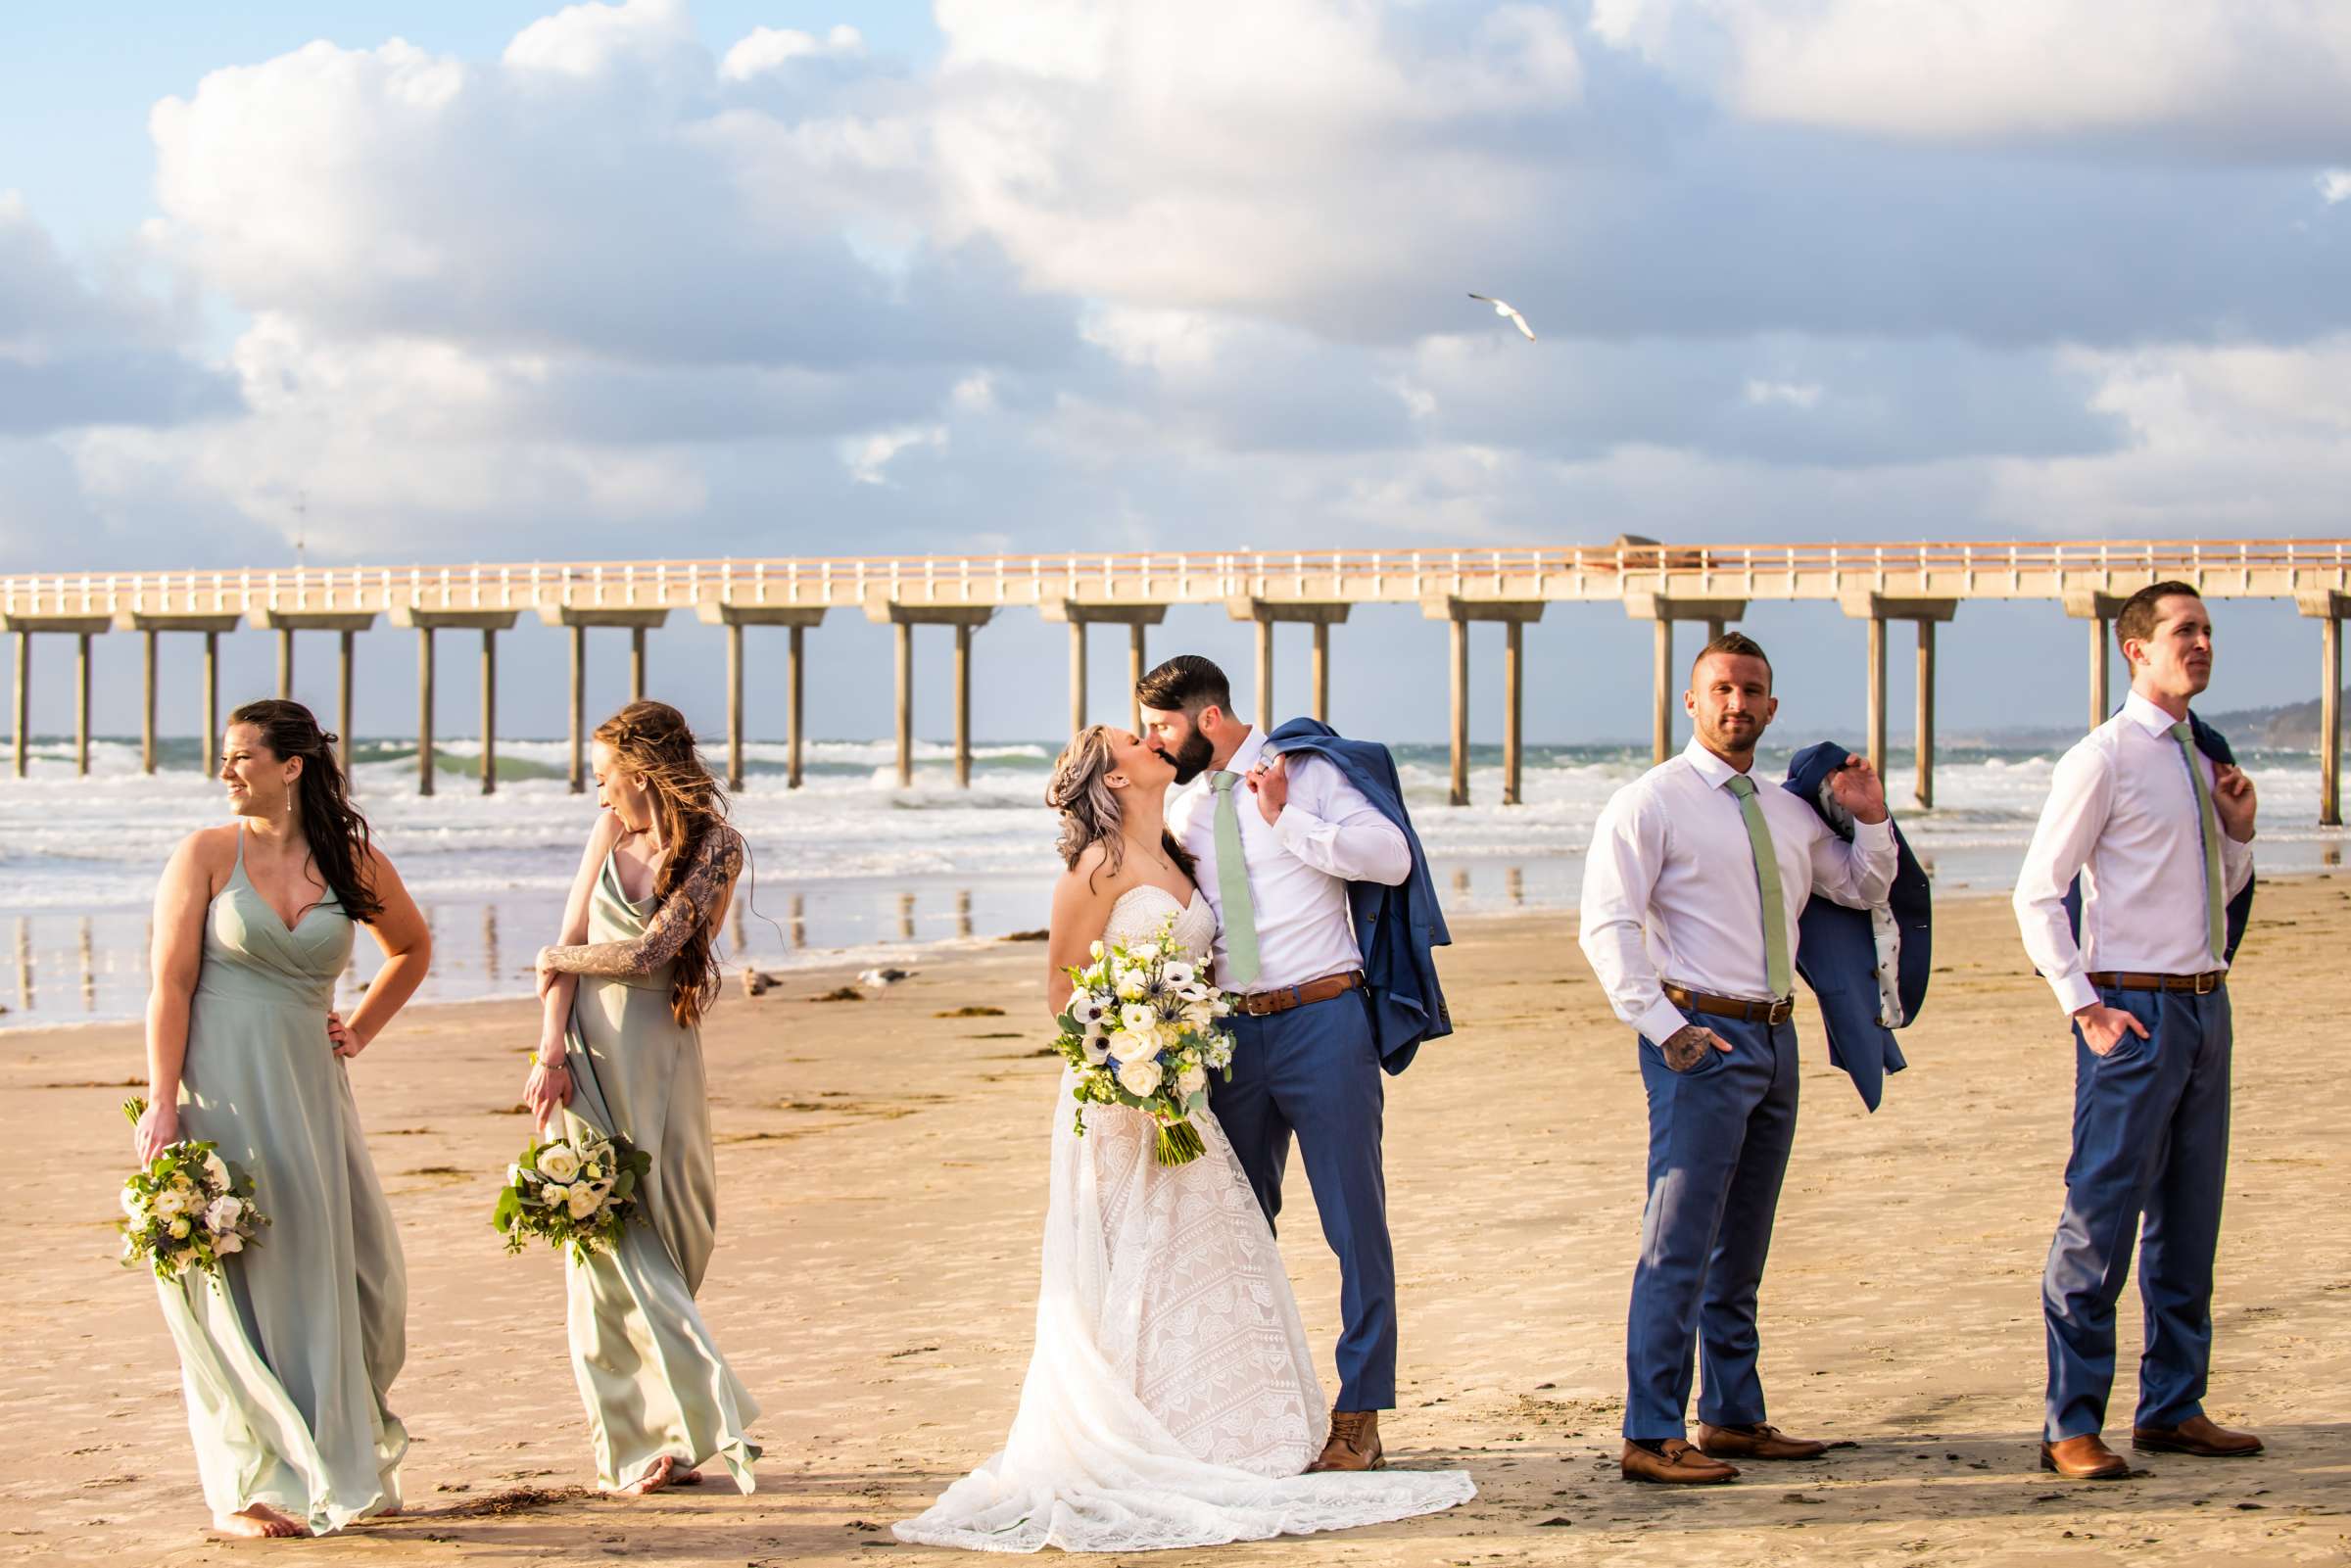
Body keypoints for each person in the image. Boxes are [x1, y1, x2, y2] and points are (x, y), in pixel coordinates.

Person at [893, 725, 1472, 1553]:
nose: (1149, 739)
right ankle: (1151, 1432)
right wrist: (1134, 1054)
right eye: (1133, 737)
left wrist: (1177, 1046)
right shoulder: (1094, 866)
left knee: (1201, 1255)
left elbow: (1203, 962)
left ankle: (1218, 1425)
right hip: (1125, 1093)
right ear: (1115, 776)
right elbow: (1062, 987)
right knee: (1142, 1260)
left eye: (1149, 726)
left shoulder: (1182, 846)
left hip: (1188, 1083)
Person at [1578, 634, 1894, 1485]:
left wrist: (1869, 812)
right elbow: (1606, 924)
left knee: (1742, 1243)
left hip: (1777, 1036)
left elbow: (1862, 888)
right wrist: (1661, 1026)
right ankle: (1650, 1430)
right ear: (1691, 700)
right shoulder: (1651, 802)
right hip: (1700, 1039)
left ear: (1772, 706)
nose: (1736, 704)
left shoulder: (1788, 811)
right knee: (1676, 1240)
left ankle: (1732, 1415)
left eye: (1752, 690)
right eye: (1720, 688)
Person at [133, 699, 431, 1538]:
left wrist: (360, 1028)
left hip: (309, 1090)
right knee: (240, 1274)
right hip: (220, 1089)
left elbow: (410, 947)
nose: (226, 771)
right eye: (224, 759)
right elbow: (170, 986)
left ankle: (331, 1449)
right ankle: (248, 1485)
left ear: (291, 765)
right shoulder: (202, 854)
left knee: (358, 1271)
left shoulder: (349, 859)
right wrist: (162, 1099)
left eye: (241, 756)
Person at [1140, 655, 1420, 1473]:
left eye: (1165, 725)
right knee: (1235, 1227)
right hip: (1230, 1039)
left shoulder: (1310, 772)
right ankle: (1257, 1409)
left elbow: (1391, 858)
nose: (1157, 741)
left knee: (1353, 1224)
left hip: (1324, 1019)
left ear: (1211, 716)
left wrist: (1287, 818)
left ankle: (1360, 1415)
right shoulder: (1182, 806)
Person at [2012, 582, 2262, 1480]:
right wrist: (2083, 1006)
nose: (2199, 644)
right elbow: (2037, 892)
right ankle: (2069, 1422)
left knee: (2191, 1217)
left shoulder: (2204, 760)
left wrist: (2238, 835)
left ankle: (2173, 1404)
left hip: (2205, 1005)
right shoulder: (2105, 757)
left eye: (2206, 632)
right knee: (2101, 1217)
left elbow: (2217, 896)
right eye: (2182, 631)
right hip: (2133, 1009)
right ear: (2137, 650)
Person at [524, 700, 760, 1496]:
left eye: (605, 779)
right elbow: (568, 944)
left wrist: (554, 956)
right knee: (597, 1244)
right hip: (588, 1051)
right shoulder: (607, 836)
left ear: (643, 772)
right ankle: (631, 1446)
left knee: (678, 1228)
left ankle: (678, 1433)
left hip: (660, 1047)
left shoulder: (717, 846)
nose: (599, 797)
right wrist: (550, 1045)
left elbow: (656, 947)